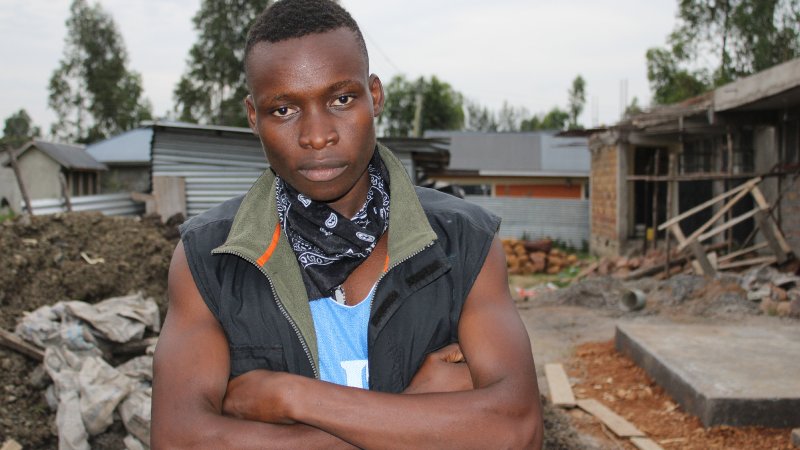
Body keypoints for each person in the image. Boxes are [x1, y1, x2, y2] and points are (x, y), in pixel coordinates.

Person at [151, 0, 543, 448]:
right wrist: (414, 413)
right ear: (254, 116)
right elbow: (178, 440)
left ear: (375, 97)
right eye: (283, 110)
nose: (317, 135)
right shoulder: (208, 260)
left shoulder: (464, 242)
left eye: (341, 100)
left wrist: (291, 397)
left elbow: (518, 430)